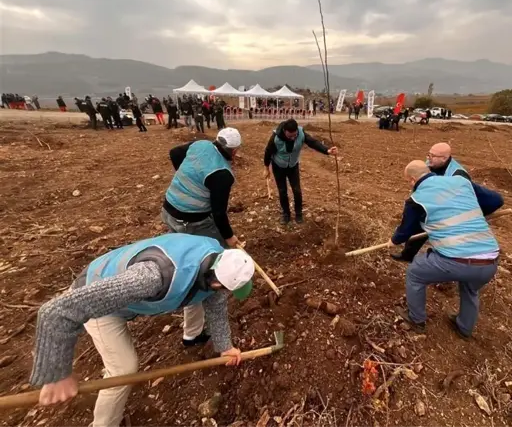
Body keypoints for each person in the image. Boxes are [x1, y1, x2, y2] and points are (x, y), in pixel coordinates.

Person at [29, 233, 253, 427]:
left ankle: (191, 335)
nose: (226, 294)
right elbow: (55, 311)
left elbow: (216, 305)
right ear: (216, 282)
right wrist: (56, 373)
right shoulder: (151, 277)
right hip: (96, 295)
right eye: (227, 289)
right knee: (124, 369)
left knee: (201, 298)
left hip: (125, 296)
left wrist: (225, 347)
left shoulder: (215, 262)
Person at [388, 161, 500, 337]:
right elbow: (496, 200)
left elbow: (405, 231)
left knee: (415, 273)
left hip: (458, 262)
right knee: (470, 288)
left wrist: (393, 241)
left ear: (412, 180)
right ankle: (464, 328)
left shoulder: (417, 199)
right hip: (491, 260)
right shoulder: (460, 182)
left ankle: (416, 319)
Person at [162, 128, 243, 345]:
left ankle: (191, 330)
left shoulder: (200, 145)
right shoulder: (223, 174)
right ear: (234, 151)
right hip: (192, 222)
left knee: (186, 260)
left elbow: (174, 153)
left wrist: (187, 178)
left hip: (170, 210)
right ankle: (213, 294)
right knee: (212, 262)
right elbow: (218, 213)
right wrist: (229, 238)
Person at [263, 119, 338, 224]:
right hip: (279, 166)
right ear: (285, 131)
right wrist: (266, 168)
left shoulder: (301, 133)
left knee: (297, 190)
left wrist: (327, 150)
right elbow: (268, 152)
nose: (293, 138)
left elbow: (313, 142)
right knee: (282, 191)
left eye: (295, 135)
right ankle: (286, 214)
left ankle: (298, 214)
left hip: (293, 166)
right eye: (290, 136)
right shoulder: (276, 138)